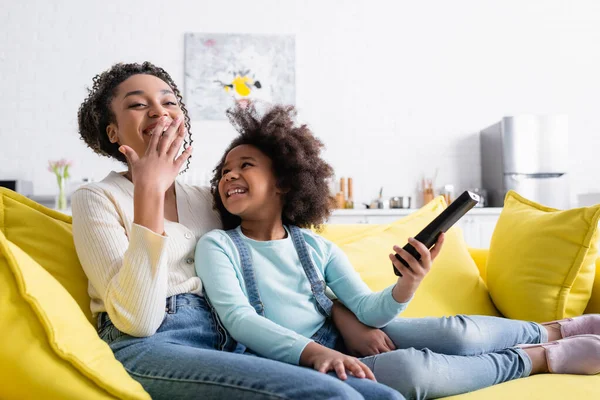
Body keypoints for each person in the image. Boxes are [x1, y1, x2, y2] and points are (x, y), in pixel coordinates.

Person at [194, 103, 600, 400]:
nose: (230, 174)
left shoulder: (316, 246)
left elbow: (370, 311)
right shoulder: (218, 246)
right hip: (286, 359)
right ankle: (539, 358)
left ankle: (552, 331)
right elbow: (239, 319)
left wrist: (408, 283)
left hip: (335, 337)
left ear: (283, 181)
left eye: (245, 165)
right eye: (225, 170)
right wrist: (316, 353)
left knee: (453, 333)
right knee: (411, 372)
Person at [72, 61, 404, 400]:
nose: (159, 112)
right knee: (337, 396)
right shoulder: (96, 199)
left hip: (230, 340)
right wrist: (149, 192)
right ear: (112, 132)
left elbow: (281, 266)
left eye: (169, 102)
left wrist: (341, 315)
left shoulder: (208, 200)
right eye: (138, 104)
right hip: (152, 347)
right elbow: (139, 321)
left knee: (386, 397)